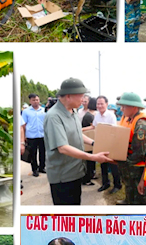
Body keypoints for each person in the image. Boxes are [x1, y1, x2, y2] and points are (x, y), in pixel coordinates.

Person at [43, 78, 110, 206]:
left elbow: (78, 134)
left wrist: (95, 144)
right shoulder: (54, 116)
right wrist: (92, 157)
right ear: (68, 96)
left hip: (75, 172)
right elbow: (62, 147)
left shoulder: (73, 112)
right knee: (65, 216)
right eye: (81, 96)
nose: (84, 99)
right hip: (63, 176)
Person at [115, 92, 146, 205]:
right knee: (129, 187)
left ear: (134, 107)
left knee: (137, 195)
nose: (121, 109)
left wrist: (124, 162)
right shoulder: (130, 119)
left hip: (137, 167)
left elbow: (140, 152)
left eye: (124, 106)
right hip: (129, 165)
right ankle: (127, 201)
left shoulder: (141, 125)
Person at [91, 96, 120, 193]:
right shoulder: (97, 115)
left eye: (101, 103)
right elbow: (94, 127)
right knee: (102, 164)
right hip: (101, 142)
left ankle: (117, 185)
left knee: (113, 165)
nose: (99, 106)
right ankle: (105, 183)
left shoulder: (111, 115)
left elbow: (114, 131)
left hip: (111, 143)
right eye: (98, 104)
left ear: (106, 104)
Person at [22, 94, 47, 177]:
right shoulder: (26, 111)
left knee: (43, 152)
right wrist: (24, 136)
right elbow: (24, 124)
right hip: (31, 136)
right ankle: (34, 169)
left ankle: (42, 167)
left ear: (39, 100)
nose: (35, 101)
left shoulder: (43, 110)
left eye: (37, 100)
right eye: (33, 100)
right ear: (30, 101)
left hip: (42, 135)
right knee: (33, 154)